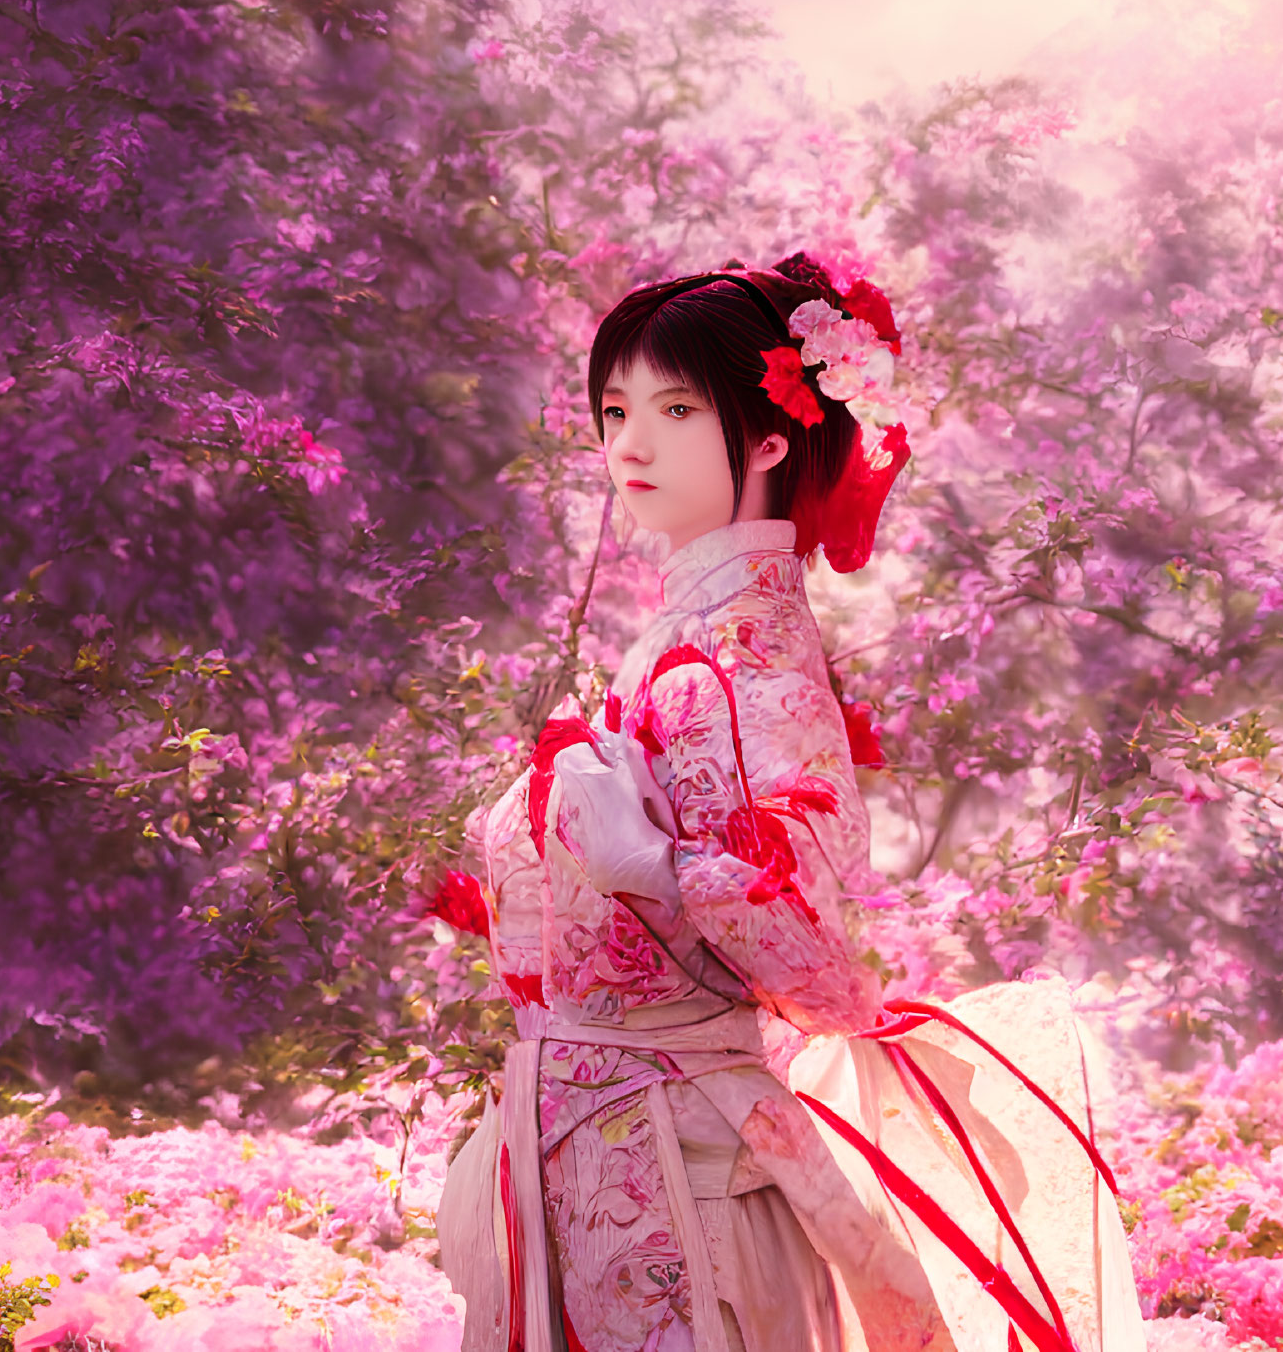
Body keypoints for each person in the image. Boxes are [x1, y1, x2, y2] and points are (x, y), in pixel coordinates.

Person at [437, 256, 1142, 1352]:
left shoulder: (756, 661)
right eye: (615, 409)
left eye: (675, 410)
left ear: (768, 440)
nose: (629, 443)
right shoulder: (677, 643)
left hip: (687, 1181)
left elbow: (810, 950)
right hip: (598, 1146)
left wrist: (657, 869)